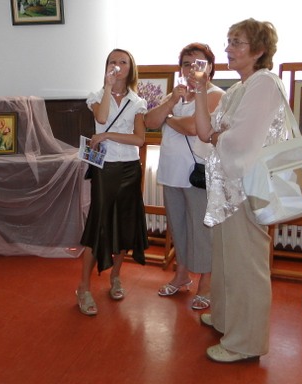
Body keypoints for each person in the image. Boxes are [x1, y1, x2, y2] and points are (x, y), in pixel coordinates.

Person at [190, 18, 284, 363]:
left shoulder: (265, 83)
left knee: (246, 266)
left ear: (258, 50)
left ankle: (245, 342)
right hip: (227, 189)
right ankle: (226, 318)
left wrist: (220, 136)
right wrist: (200, 91)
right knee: (227, 260)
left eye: (237, 42)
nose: (228, 48)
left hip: (246, 189)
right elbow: (205, 132)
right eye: (228, 41)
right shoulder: (236, 90)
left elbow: (241, 141)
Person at [144, 43, 224, 310]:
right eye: (187, 64)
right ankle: (181, 275)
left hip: (197, 175)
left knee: (202, 231)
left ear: (210, 68)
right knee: (178, 227)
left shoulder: (215, 95)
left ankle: (206, 284)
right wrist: (170, 104)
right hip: (171, 171)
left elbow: (192, 128)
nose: (192, 69)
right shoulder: (175, 95)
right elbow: (149, 122)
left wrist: (168, 118)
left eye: (198, 64)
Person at [76, 48, 149, 316]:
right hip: (104, 168)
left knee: (125, 224)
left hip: (130, 168)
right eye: (112, 62)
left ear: (131, 68)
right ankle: (83, 288)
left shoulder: (137, 102)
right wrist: (108, 87)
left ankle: (116, 277)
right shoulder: (97, 96)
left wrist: (107, 136)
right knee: (98, 225)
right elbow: (102, 118)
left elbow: (139, 139)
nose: (117, 66)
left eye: (123, 62)